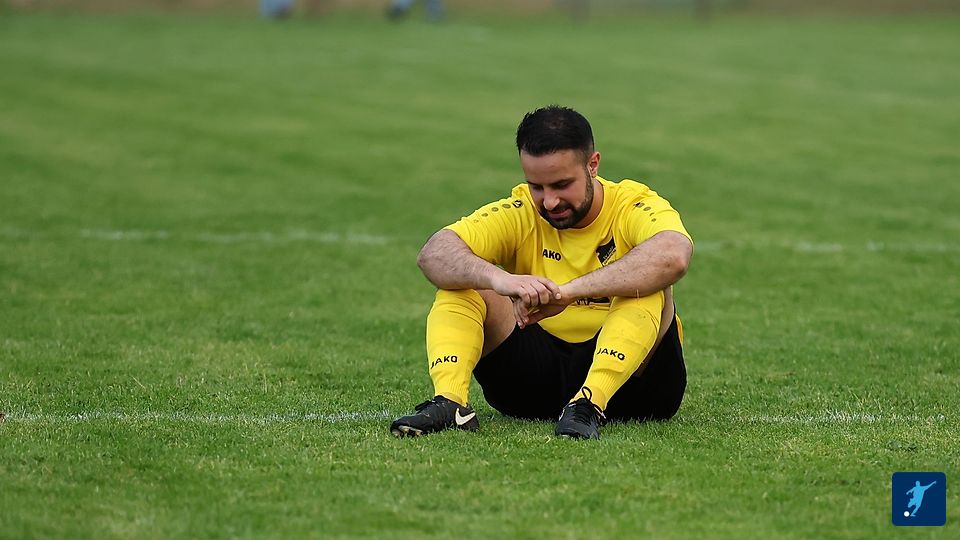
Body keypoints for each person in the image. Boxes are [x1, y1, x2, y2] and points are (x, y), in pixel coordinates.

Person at [390, 105, 694, 440]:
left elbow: (673, 256)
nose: (549, 201)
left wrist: (568, 293)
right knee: (464, 283)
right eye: (537, 186)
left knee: (647, 285)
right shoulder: (521, 210)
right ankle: (450, 402)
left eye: (562, 184)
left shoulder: (632, 204)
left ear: (593, 165)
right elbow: (434, 253)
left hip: (636, 390)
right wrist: (501, 280)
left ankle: (589, 404)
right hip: (533, 382)